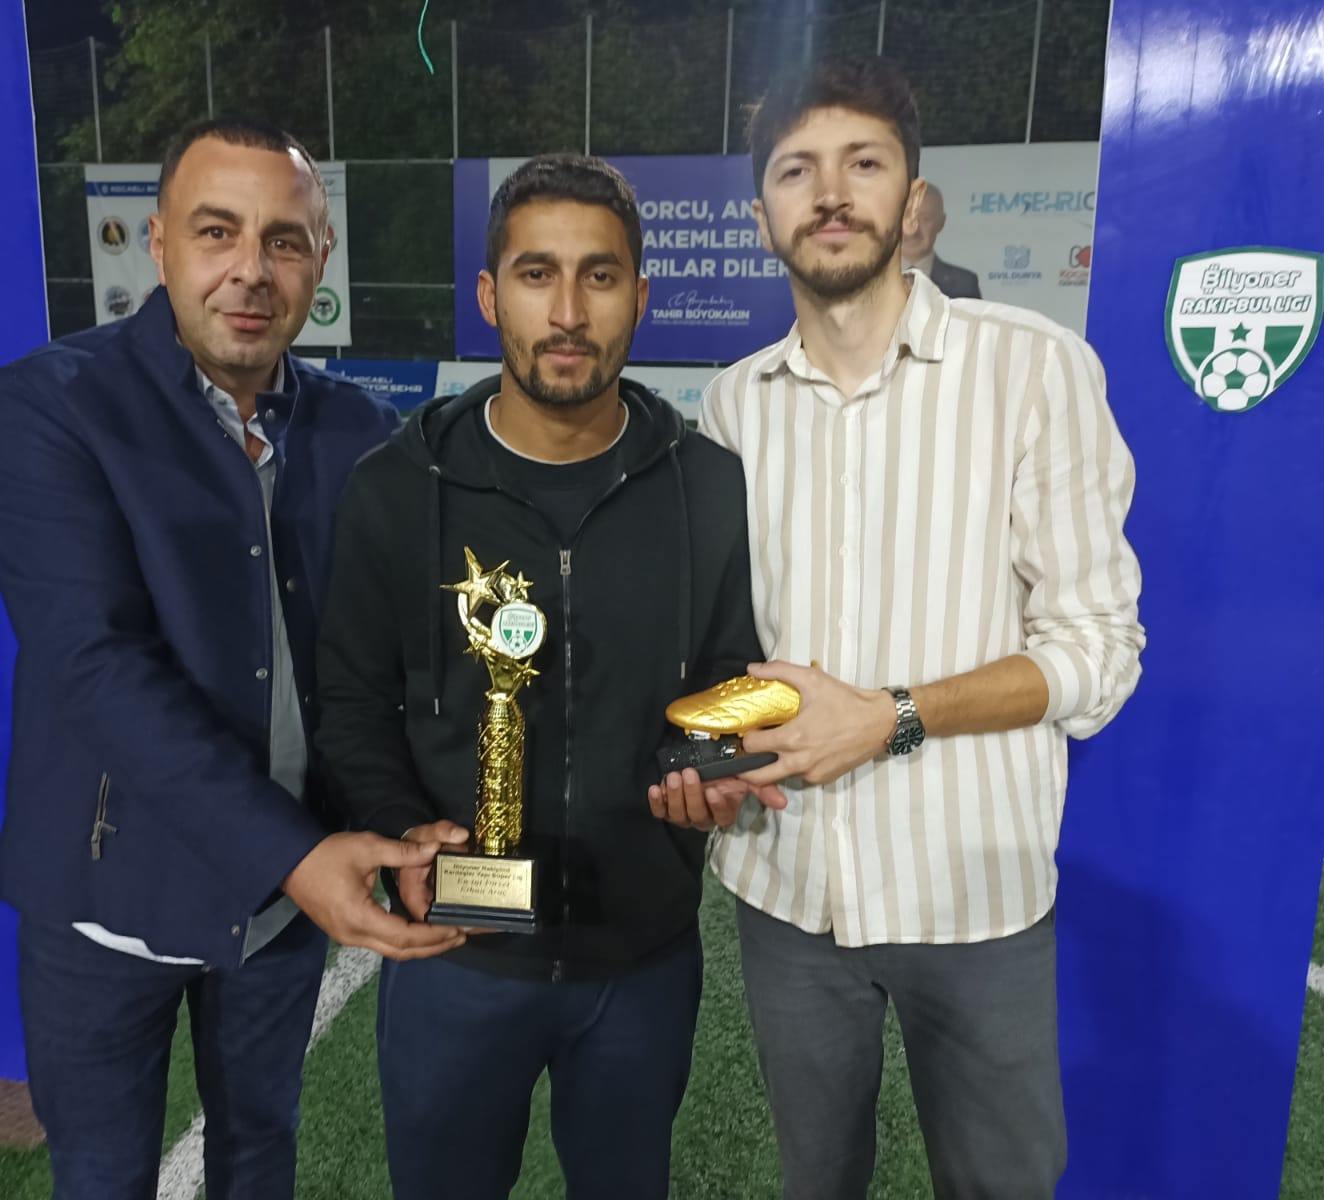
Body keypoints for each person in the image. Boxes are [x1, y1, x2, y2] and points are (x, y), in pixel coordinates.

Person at [655, 58, 1145, 1198]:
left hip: (972, 893)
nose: (830, 193)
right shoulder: (732, 405)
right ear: (763, 214)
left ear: (911, 196)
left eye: (862, 163)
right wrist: (697, 756)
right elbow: (732, 647)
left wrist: (893, 717)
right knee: (818, 1180)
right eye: (796, 171)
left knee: (1001, 1184)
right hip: (787, 890)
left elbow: (1096, 649)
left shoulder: (1032, 369)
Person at [0, 117, 466, 1200]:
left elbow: (375, 672)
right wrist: (295, 855)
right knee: (102, 1177)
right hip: (110, 905)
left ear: (320, 259)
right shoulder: (52, 404)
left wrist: (400, 820)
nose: (251, 268)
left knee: (259, 1158)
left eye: (284, 240)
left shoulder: (358, 432)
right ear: (157, 244)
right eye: (216, 232)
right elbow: (96, 666)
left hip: (279, 914)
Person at [314, 153, 763, 1200]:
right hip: (457, 954)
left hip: (641, 958)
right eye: (535, 274)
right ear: (488, 296)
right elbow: (350, 699)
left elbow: (731, 671)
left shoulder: (708, 486)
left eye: (599, 276)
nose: (567, 312)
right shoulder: (396, 488)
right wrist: (400, 825)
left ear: (640, 297)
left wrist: (706, 765)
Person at [900, 182, 981, 298]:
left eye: (926, 219)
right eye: (907, 218)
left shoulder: (964, 284)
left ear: (941, 223)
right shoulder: (872, 277)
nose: (914, 230)